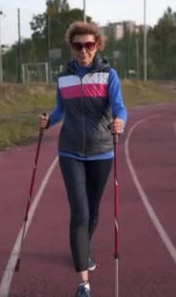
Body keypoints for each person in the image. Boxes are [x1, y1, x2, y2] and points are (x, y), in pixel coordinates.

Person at [38, 21, 127, 297]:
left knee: (94, 208)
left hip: (102, 151)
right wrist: (47, 120)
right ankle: (83, 284)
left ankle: (82, 249)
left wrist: (120, 122)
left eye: (89, 45)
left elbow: (120, 107)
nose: (84, 50)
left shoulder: (108, 75)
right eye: (78, 46)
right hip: (70, 151)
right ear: (72, 47)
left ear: (97, 45)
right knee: (80, 211)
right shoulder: (63, 78)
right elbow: (60, 111)